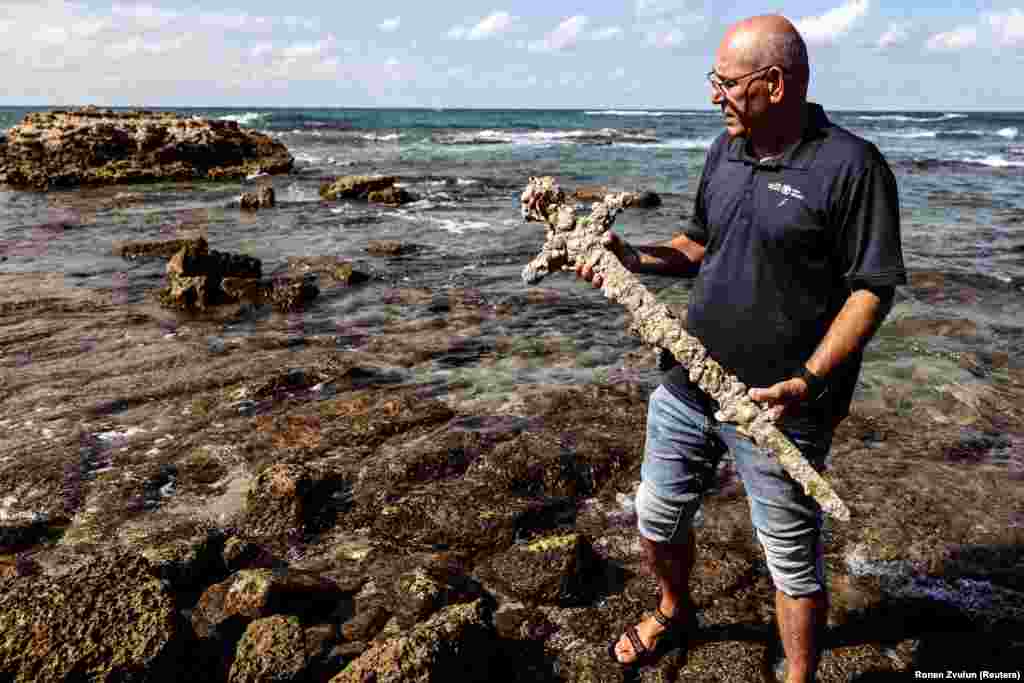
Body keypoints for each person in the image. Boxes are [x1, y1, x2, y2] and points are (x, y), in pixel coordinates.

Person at [577, 14, 906, 683]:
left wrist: (808, 381)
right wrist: (633, 255)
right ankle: (675, 609)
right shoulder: (725, 151)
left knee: (790, 554)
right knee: (657, 511)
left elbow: (871, 291)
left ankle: (798, 674)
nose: (713, 95)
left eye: (726, 82)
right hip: (687, 384)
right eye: (715, 80)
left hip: (779, 407)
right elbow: (699, 244)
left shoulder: (853, 167)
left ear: (775, 84)